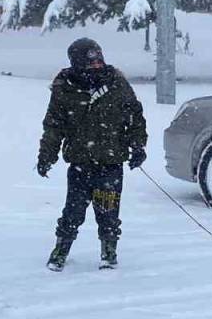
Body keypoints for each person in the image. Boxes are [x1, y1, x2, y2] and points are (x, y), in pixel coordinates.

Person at [36, 38, 147, 271]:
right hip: (79, 161)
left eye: (98, 59)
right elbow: (54, 126)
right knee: (73, 210)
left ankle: (109, 250)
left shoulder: (116, 83)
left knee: (108, 210)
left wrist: (138, 146)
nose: (96, 65)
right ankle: (61, 249)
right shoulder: (64, 88)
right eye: (90, 61)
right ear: (76, 63)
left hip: (111, 161)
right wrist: (47, 155)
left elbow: (135, 116)